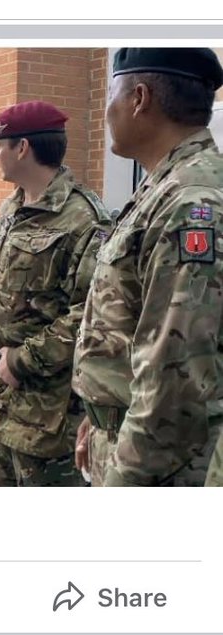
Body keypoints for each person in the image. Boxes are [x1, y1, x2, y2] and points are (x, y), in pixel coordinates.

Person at [73, 47, 223, 485]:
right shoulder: (164, 187)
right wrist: (99, 417)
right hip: (125, 435)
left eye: (111, 97)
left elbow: (175, 383)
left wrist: (126, 479)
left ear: (138, 98)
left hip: (162, 467)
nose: (106, 112)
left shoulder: (190, 202)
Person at [0, 103, 110, 486]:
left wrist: (24, 360)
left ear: (23, 148)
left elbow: (93, 314)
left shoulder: (83, 218)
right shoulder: (10, 209)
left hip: (47, 419)